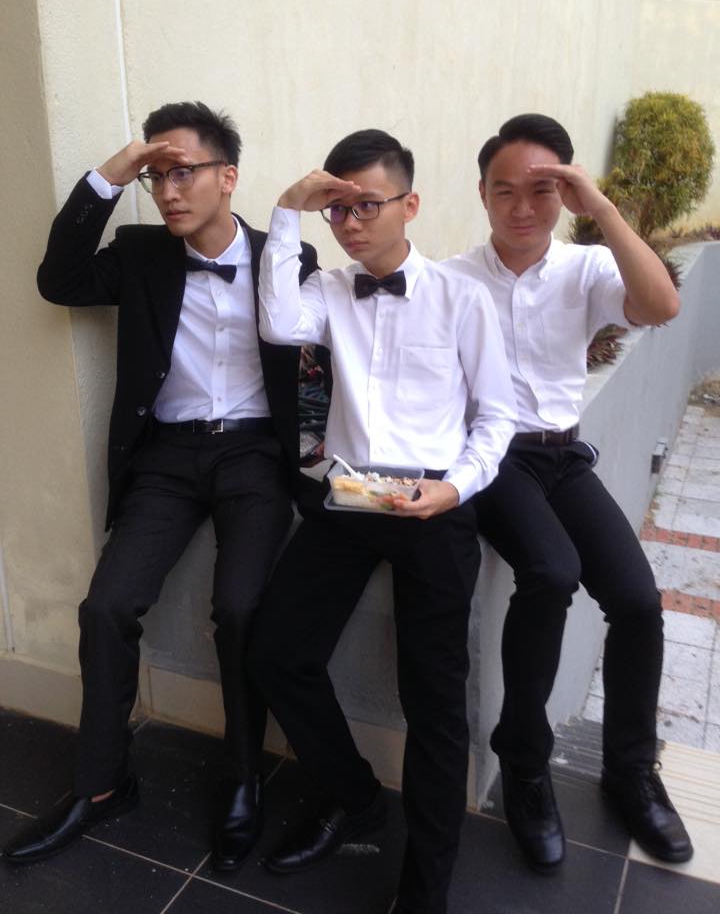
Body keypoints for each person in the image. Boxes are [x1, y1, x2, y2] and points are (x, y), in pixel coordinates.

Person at [2, 101, 317, 871]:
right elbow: (58, 280)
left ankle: (243, 777)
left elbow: (321, 367)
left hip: (254, 457)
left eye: (184, 173)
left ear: (227, 177)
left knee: (240, 609)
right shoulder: (142, 253)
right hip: (168, 458)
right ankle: (103, 784)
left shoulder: (287, 259)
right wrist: (117, 171)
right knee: (106, 607)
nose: (169, 191)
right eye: (158, 178)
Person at [248, 129, 517, 914]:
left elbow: (496, 416)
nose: (352, 222)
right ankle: (357, 798)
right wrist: (287, 210)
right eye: (339, 209)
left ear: (411, 204)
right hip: (352, 494)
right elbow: (278, 324)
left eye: (368, 205)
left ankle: (424, 892)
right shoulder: (328, 289)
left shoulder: (463, 298)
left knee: (433, 703)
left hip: (433, 504)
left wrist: (456, 488)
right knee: (277, 651)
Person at [445, 113, 692, 873]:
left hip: (562, 458)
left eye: (543, 191)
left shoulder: (586, 267)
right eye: (505, 191)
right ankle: (524, 765)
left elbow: (661, 306)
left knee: (638, 601)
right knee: (551, 572)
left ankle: (630, 769)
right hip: (495, 458)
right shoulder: (451, 279)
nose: (523, 208)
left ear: (567, 193)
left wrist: (603, 209)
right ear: (482, 194)